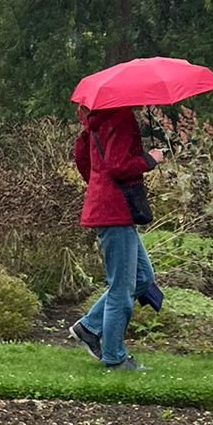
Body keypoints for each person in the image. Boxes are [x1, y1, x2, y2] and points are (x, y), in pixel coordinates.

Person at [69, 105, 167, 374]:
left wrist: (100, 186)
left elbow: (82, 159)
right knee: (121, 288)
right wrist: (150, 159)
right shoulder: (121, 118)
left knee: (143, 277)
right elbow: (119, 165)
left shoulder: (95, 121)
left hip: (107, 206)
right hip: (116, 211)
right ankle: (114, 358)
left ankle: (89, 327)